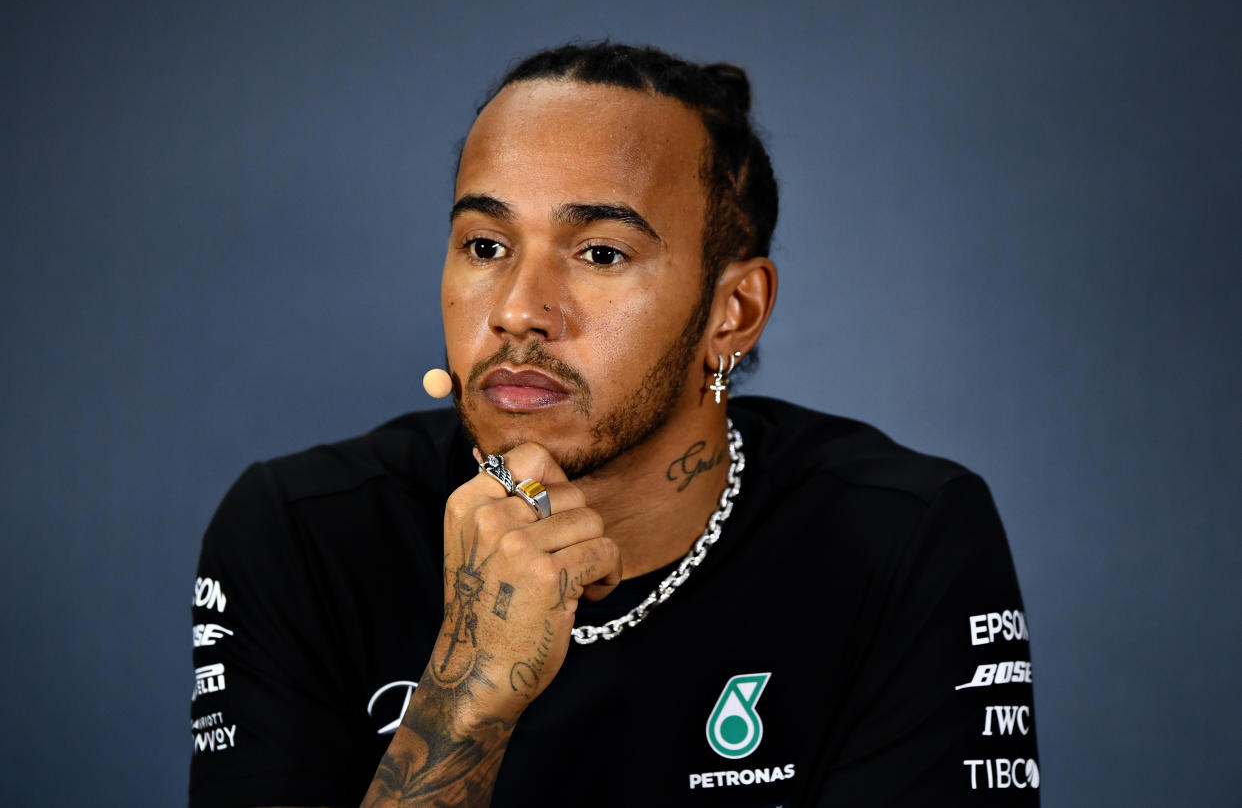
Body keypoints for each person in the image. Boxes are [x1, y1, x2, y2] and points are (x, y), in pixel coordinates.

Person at [189, 42, 1040, 806]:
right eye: (485, 246)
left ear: (733, 314)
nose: (518, 311)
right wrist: (465, 697)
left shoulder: (904, 537)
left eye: (601, 253)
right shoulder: (301, 531)